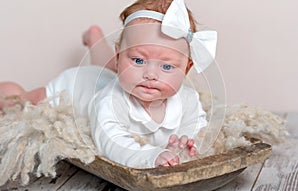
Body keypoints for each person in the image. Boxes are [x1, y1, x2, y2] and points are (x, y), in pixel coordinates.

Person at [0, 0, 217, 168]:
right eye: (138, 60)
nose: (150, 74)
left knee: (108, 71)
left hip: (103, 75)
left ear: (187, 69)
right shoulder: (111, 101)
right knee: (27, 101)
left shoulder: (187, 99)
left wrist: (185, 144)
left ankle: (95, 38)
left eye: (167, 67)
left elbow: (196, 125)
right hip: (74, 85)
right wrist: (150, 156)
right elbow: (111, 142)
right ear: (119, 56)